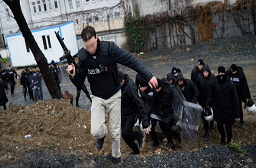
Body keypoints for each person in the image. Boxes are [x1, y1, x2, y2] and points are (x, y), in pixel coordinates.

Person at [67, 26, 158, 164]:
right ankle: (102, 135)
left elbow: (131, 61)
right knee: (96, 131)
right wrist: (73, 74)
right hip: (97, 96)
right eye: (87, 47)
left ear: (96, 38)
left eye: (92, 45)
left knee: (115, 133)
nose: (90, 49)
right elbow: (79, 82)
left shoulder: (109, 49)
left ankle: (116, 157)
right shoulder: (84, 57)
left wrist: (149, 75)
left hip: (114, 95)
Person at [119, 71, 151, 155]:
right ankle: (135, 150)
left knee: (126, 133)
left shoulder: (130, 86)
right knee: (124, 135)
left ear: (123, 81)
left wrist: (145, 122)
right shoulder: (116, 84)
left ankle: (140, 136)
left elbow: (139, 103)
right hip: (122, 112)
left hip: (131, 112)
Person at [206, 66, 240, 145]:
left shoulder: (231, 84)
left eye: (222, 73)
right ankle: (223, 136)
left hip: (228, 110)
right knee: (219, 126)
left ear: (225, 73)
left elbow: (235, 98)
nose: (221, 75)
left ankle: (229, 139)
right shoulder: (214, 83)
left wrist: (236, 112)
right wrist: (208, 104)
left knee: (228, 128)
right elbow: (211, 95)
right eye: (219, 73)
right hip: (218, 109)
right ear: (218, 73)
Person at [147, 78, 182, 150]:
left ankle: (170, 142)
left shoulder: (168, 90)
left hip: (172, 111)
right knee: (163, 128)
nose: (156, 90)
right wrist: (147, 112)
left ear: (161, 86)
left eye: (158, 89)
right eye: (155, 89)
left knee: (167, 123)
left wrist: (177, 111)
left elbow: (177, 99)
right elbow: (153, 104)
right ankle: (177, 134)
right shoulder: (156, 92)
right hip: (163, 112)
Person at [196, 64, 216, 139]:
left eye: (207, 72)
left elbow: (215, 88)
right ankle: (206, 132)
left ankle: (212, 126)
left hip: (211, 100)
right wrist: (198, 99)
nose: (205, 74)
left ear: (209, 72)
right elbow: (196, 89)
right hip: (203, 101)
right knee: (205, 117)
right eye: (204, 72)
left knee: (212, 113)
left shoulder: (213, 77)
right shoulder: (199, 78)